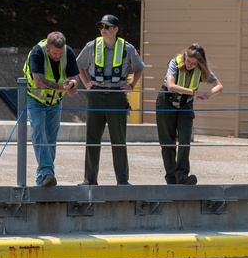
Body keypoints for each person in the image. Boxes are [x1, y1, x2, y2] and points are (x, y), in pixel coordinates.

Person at [76, 14, 145, 186]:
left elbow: (139, 68)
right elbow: (79, 65)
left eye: (107, 27)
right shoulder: (91, 46)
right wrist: (86, 83)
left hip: (116, 96)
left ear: (116, 29)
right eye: (101, 27)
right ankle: (90, 179)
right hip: (96, 96)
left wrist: (131, 85)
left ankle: (122, 180)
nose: (103, 30)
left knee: (118, 139)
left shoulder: (127, 48)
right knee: (92, 139)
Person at [156, 44, 224, 185]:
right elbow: (171, 85)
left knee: (185, 137)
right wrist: (194, 92)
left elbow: (219, 86)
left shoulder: (202, 69)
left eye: (194, 63)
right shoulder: (175, 63)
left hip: (186, 105)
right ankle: (171, 177)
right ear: (185, 57)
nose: (190, 65)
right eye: (188, 61)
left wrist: (208, 94)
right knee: (167, 141)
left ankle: (182, 175)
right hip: (167, 102)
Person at [23, 32, 80, 187]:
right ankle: (48, 172)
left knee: (50, 138)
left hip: (55, 102)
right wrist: (62, 87)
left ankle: (41, 180)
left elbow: (75, 81)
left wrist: (72, 84)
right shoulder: (37, 52)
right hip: (36, 100)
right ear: (47, 47)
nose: (58, 56)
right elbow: (39, 82)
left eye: (60, 53)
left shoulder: (68, 53)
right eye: (55, 53)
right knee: (39, 130)